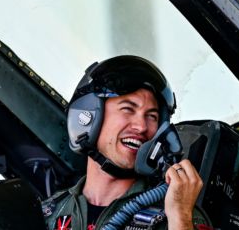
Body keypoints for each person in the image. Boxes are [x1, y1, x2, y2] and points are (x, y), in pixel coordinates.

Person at [42, 55, 211, 230]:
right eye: (128, 109)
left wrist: (181, 219)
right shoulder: (49, 213)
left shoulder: (176, 215)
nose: (141, 126)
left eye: (152, 116)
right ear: (89, 115)